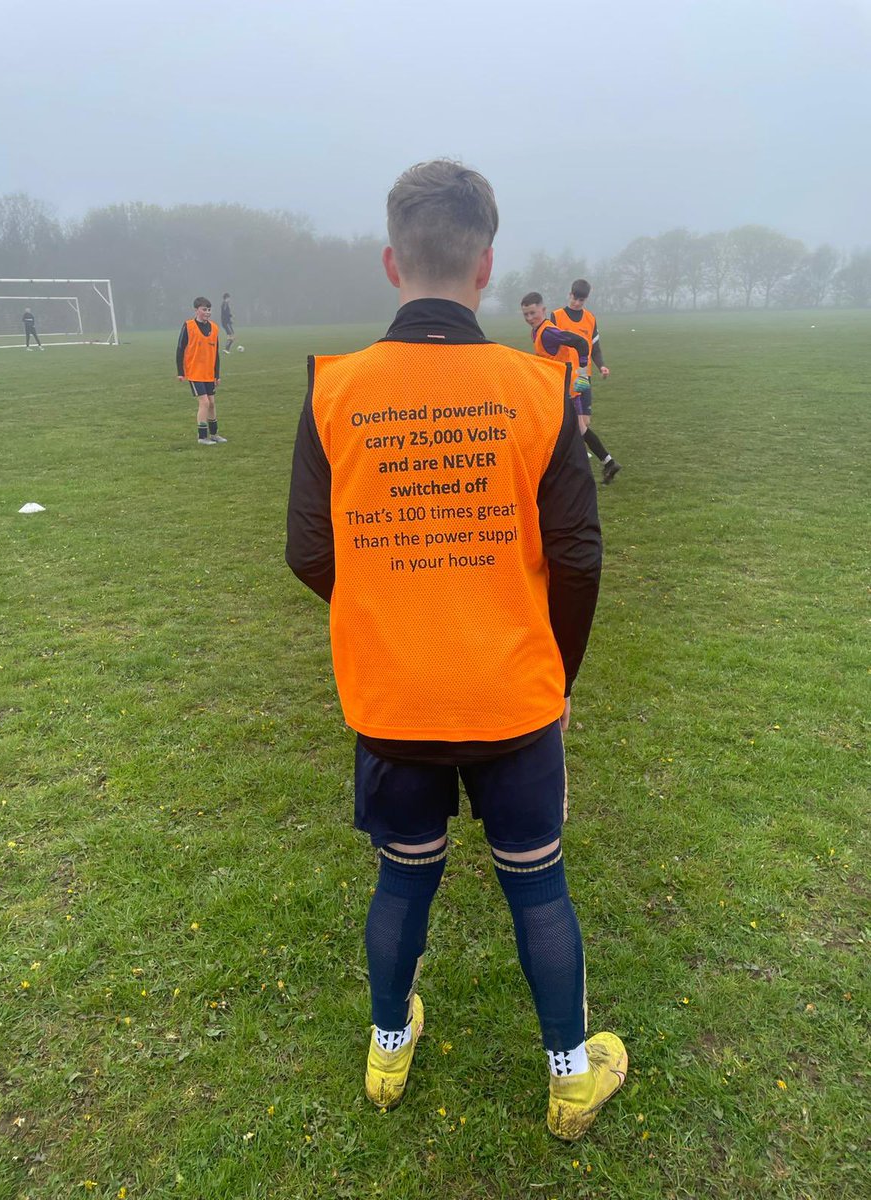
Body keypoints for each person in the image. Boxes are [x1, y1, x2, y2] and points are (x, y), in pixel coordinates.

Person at [286, 160, 626, 1141]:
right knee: (539, 882)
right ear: (486, 267)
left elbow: (311, 550)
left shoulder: (334, 389)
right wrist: (558, 674)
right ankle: (570, 1078)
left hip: (395, 699)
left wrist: (393, 609)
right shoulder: (537, 386)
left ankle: (388, 1048)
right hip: (513, 696)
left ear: (394, 261)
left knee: (404, 875)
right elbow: (579, 556)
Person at [551, 281, 620, 484]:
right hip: (563, 375)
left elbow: (595, 349)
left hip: (582, 376)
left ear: (586, 299)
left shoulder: (590, 319)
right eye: (574, 298)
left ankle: (589, 460)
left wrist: (602, 366)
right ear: (569, 294)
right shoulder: (557, 316)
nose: (576, 302)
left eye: (581, 300)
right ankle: (595, 460)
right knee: (575, 424)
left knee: (584, 422)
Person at [520, 291, 601, 441]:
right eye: (526, 315)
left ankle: (597, 459)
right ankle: (606, 460)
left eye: (532, 313)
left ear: (543, 310)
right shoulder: (536, 331)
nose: (529, 318)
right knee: (576, 427)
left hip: (566, 386)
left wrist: (583, 373)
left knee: (577, 427)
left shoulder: (548, 332)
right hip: (555, 385)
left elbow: (581, 342)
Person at [176, 297, 226, 445]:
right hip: (194, 372)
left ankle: (215, 434)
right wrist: (180, 371)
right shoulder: (188, 326)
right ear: (196, 310)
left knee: (211, 402)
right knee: (204, 402)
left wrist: (217, 374)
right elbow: (180, 349)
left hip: (209, 373)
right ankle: (202, 437)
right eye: (204, 309)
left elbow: (215, 353)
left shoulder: (214, 328)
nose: (207, 312)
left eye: (209, 310)